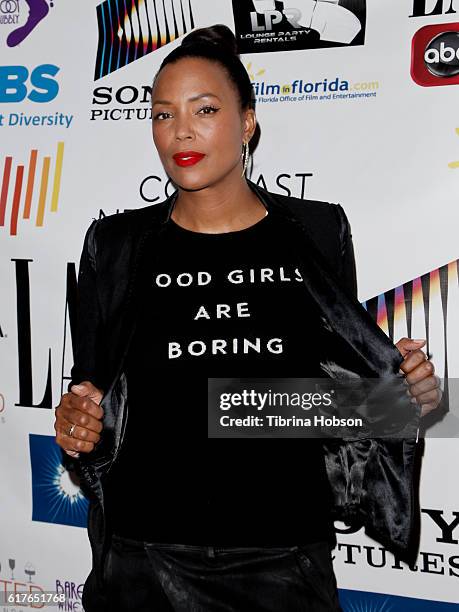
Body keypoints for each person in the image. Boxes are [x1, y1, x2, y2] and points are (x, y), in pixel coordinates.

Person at [54, 24, 441, 612]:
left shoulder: (316, 232)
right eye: (162, 114)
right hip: (141, 560)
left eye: (204, 109)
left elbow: (329, 403)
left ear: (248, 121)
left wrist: (404, 397)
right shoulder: (116, 244)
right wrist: (77, 423)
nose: (180, 129)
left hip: (282, 559)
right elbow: (94, 397)